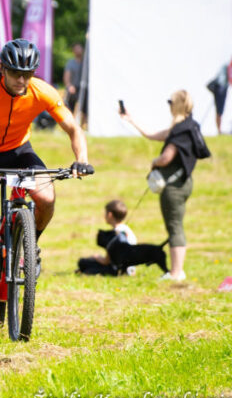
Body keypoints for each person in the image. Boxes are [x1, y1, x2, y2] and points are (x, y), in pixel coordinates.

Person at [0, 38, 93, 328]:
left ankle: (30, 242)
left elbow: (73, 127)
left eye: (28, 74)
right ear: (2, 69)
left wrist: (81, 159)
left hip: (20, 152)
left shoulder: (42, 91)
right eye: (15, 73)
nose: (22, 80)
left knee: (46, 198)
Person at [120, 90, 211, 281]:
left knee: (174, 227)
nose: (169, 106)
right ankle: (177, 271)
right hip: (183, 183)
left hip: (174, 187)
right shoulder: (188, 127)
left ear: (176, 105)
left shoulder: (180, 130)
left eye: (170, 102)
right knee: (175, 226)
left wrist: (155, 162)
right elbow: (152, 135)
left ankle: (177, 273)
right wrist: (131, 120)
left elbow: (166, 157)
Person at [76, 200, 137, 276]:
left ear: (110, 215)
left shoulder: (114, 235)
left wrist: (97, 257)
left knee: (83, 262)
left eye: (105, 213)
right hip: (130, 269)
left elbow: (106, 261)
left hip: (117, 269)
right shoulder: (128, 230)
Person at [207, 58, 231, 134]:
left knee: (220, 110)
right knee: (219, 110)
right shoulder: (227, 66)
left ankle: (219, 130)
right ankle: (219, 130)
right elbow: (226, 79)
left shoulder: (227, 66)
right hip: (221, 89)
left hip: (221, 89)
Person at [63, 43, 84, 119]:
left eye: (79, 48)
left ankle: (84, 123)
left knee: (85, 106)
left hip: (84, 88)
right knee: (69, 105)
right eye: (76, 49)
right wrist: (69, 86)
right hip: (73, 88)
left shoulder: (86, 63)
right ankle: (70, 120)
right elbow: (66, 76)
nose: (77, 51)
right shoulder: (70, 63)